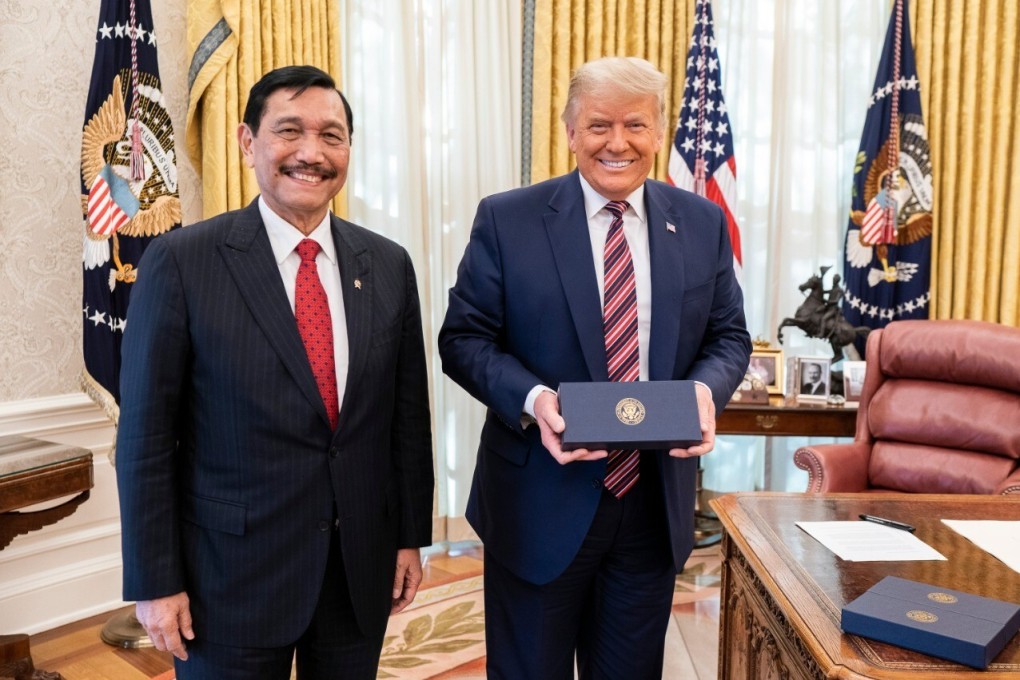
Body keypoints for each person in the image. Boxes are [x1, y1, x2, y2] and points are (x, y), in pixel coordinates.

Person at [115, 65, 434, 680]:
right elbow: (147, 438)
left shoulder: (389, 264)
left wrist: (408, 537)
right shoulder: (183, 262)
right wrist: (156, 580)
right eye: (290, 131)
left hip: (355, 571)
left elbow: (406, 419)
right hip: (228, 583)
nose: (311, 153)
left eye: (332, 136)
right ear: (247, 142)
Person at [438, 56, 751, 679]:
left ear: (659, 132)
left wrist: (703, 393)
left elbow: (727, 338)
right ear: (571, 131)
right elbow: (463, 339)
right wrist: (533, 401)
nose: (618, 142)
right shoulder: (508, 219)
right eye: (599, 125)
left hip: (651, 510)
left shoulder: (702, 222)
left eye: (635, 125)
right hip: (536, 506)